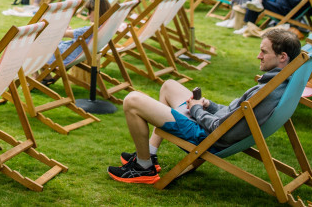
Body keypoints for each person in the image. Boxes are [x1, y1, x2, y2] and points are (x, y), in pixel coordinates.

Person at [108, 27, 301, 184]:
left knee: (132, 100)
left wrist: (196, 109)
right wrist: (208, 105)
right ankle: (149, 154)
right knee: (169, 86)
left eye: (264, 52)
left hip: (207, 137)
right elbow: (234, 115)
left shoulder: (265, 93)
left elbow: (222, 129)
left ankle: (143, 167)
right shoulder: (279, 85)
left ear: (282, 57)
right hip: (211, 126)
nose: (259, 56)